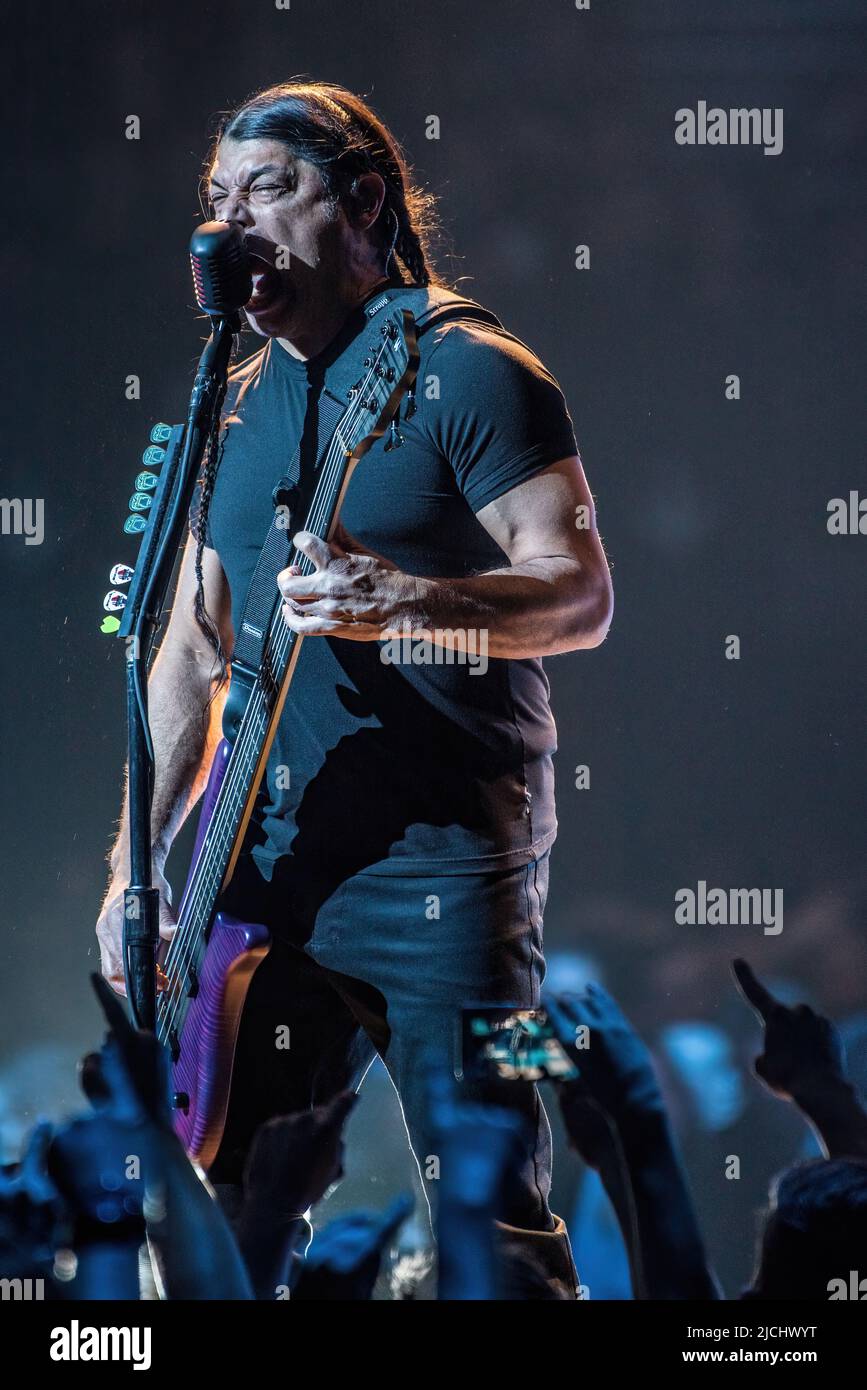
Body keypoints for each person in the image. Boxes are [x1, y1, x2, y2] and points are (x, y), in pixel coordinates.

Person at [96, 80, 613, 1299]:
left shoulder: (474, 370)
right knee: (221, 1217)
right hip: (263, 872)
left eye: (268, 192)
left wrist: (411, 604)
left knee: (491, 1211)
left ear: (364, 199)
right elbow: (188, 655)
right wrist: (137, 874)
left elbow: (579, 594)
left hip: (445, 874)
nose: (231, 227)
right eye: (218, 201)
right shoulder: (236, 400)